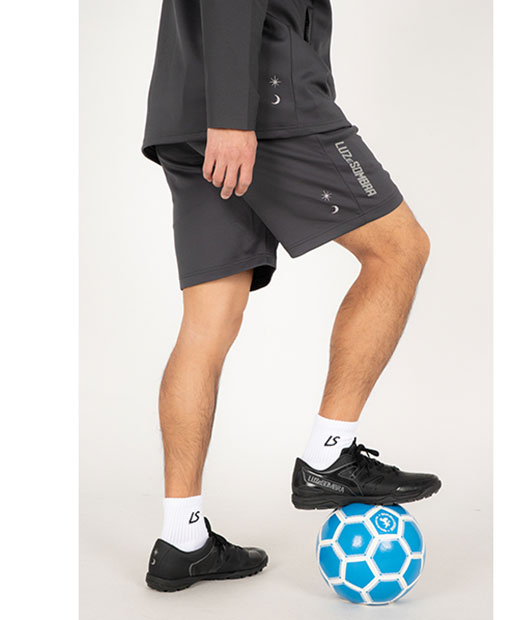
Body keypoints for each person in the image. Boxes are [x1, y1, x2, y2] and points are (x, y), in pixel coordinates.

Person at [141, 0, 441, 593]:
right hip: (259, 98)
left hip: (185, 105)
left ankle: (183, 540)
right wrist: (233, 116)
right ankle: (330, 456)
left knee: (207, 323)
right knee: (400, 250)